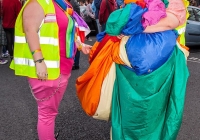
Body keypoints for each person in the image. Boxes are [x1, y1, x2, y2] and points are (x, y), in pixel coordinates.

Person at [76, 0, 190, 139]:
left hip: (157, 71)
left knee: (148, 116)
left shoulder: (173, 3)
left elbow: (170, 22)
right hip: (133, 69)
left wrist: (131, 27)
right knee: (134, 115)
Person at [10, 0, 91, 139]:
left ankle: (48, 134)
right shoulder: (38, 2)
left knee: (49, 113)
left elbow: (65, 31)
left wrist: (79, 44)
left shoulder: (60, 4)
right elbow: (30, 30)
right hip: (47, 70)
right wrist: (39, 61)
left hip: (60, 68)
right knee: (47, 113)